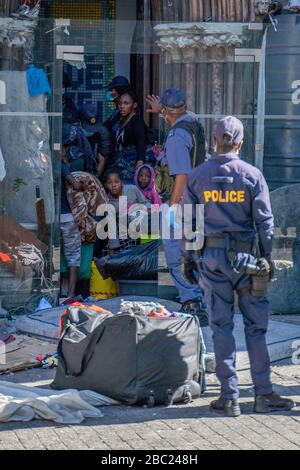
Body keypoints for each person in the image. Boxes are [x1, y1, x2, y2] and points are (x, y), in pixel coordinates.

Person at [183, 116, 295, 417]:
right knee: (255, 329)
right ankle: (263, 395)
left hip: (212, 260)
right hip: (247, 261)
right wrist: (268, 257)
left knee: (221, 327)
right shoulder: (252, 174)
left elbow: (189, 223)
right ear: (240, 143)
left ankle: (229, 397)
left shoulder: (197, 176)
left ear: (215, 142)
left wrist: (188, 258)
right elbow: (265, 222)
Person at [148, 88, 208, 326]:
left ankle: (192, 301)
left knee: (176, 256)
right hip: (196, 199)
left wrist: (172, 205)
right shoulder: (193, 124)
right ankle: (202, 298)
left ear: (168, 113)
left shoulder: (175, 138)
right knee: (192, 252)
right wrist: (162, 109)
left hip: (181, 203)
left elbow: (181, 175)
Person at [60, 146, 83, 304]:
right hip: (66, 216)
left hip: (52, 216)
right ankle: (70, 294)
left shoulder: (45, 165)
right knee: (73, 256)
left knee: (54, 253)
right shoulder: (60, 166)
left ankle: (56, 290)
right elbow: (76, 185)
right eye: (63, 149)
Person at [111, 91, 147, 183]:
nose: (122, 106)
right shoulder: (121, 121)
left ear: (134, 105)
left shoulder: (136, 121)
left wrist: (140, 162)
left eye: (126, 103)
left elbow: (141, 141)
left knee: (128, 193)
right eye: (120, 103)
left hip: (131, 166)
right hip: (120, 165)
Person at [80, 103, 112, 177]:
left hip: (95, 169)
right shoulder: (74, 131)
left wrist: (93, 179)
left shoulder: (103, 132)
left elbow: (102, 159)